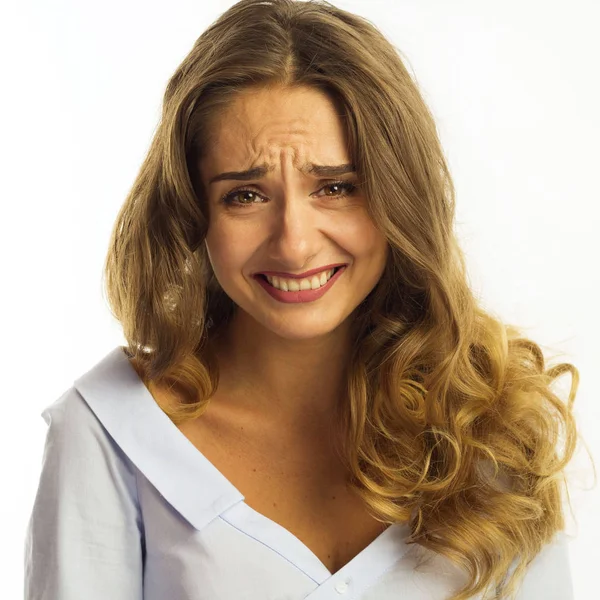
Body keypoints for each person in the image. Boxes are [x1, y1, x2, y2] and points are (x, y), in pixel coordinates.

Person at [24, 1, 590, 598]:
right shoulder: (112, 430)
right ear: (193, 212)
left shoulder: (493, 426)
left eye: (336, 187)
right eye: (245, 195)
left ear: (399, 197)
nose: (294, 244)